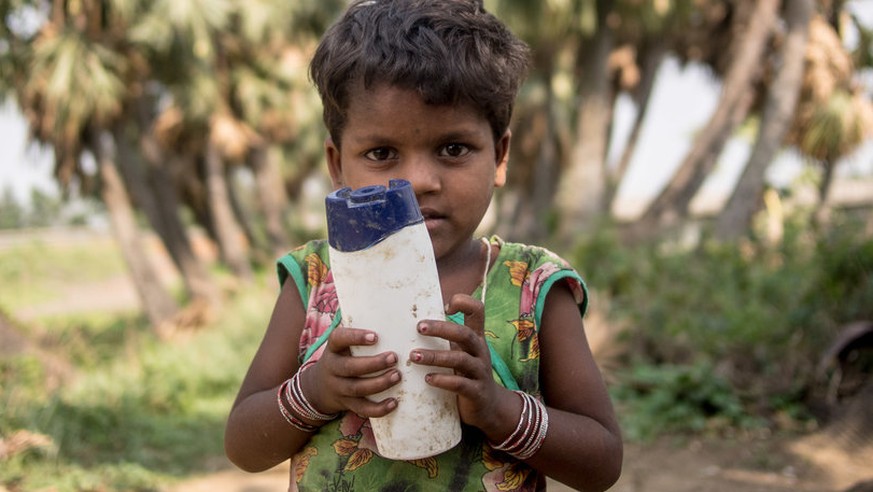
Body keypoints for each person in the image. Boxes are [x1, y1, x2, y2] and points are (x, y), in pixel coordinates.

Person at [224, 0, 623, 490]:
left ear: (498, 156)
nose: (417, 181)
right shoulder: (315, 278)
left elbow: (602, 462)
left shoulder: (533, 287)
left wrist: (499, 410)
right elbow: (243, 444)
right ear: (337, 164)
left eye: (453, 148)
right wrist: (317, 390)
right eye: (381, 153)